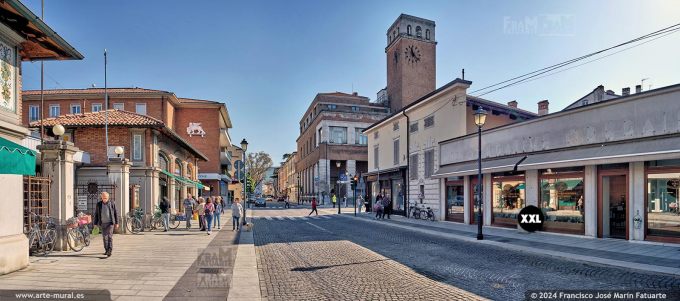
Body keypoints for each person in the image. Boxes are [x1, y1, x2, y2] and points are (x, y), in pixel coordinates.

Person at [93, 192, 119, 257]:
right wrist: (95, 223)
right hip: (103, 223)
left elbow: (116, 213)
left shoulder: (112, 203)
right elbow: (96, 214)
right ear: (101, 197)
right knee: (104, 237)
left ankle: (109, 250)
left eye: (106, 198)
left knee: (109, 236)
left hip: (110, 223)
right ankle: (106, 250)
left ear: (108, 198)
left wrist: (117, 223)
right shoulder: (99, 204)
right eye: (103, 198)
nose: (104, 199)